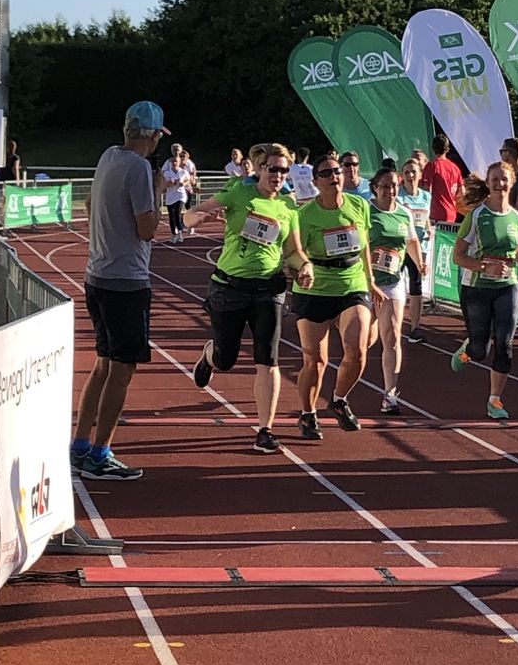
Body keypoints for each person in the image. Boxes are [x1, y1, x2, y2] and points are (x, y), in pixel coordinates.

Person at [184, 144, 312, 454]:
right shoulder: (239, 192)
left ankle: (265, 429)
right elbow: (190, 215)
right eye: (273, 169)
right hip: (229, 287)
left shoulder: (288, 206)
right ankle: (210, 356)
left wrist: (305, 267)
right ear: (260, 168)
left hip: (269, 289)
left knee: (267, 359)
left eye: (284, 170)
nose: (278, 175)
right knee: (226, 359)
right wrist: (196, 218)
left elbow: (293, 251)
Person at [70, 100, 168, 481]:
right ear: (153, 136)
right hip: (126, 281)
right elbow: (147, 229)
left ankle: (80, 445)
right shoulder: (139, 168)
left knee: (103, 364)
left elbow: (89, 203)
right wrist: (158, 193)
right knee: (121, 370)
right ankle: (100, 452)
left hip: (97, 274)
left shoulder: (108, 156)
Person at [292, 151, 377, 438]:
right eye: (326, 173)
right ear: (315, 181)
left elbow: (364, 245)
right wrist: (303, 268)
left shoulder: (359, 205)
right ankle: (307, 414)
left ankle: (339, 400)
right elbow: (295, 251)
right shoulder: (305, 215)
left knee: (358, 349)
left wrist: (371, 280)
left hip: (352, 283)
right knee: (315, 360)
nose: (334, 177)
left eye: (337, 171)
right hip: (315, 287)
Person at [451, 161, 518, 421]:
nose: (500, 184)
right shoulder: (477, 216)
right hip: (476, 288)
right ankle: (468, 349)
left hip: (507, 287)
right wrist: (485, 267)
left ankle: (495, 400)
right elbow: (458, 256)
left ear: (512, 182)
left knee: (505, 344)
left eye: (504, 179)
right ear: (487, 183)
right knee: (480, 350)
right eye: (495, 179)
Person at [368, 164, 423, 413]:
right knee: (363, 342)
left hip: (392, 282)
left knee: (391, 336)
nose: (390, 191)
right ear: (375, 188)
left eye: (393, 186)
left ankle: (390, 395)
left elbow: (411, 239)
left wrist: (419, 262)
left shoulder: (404, 213)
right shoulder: (366, 211)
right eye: (385, 186)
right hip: (365, 282)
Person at [398, 156, 432, 341]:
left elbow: (425, 218)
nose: (410, 175)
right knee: (392, 284)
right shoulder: (398, 195)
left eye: (413, 172)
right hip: (399, 246)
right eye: (407, 172)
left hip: (419, 247)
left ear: (420, 174)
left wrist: (429, 228)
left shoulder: (426, 196)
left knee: (416, 286)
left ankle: (415, 328)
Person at [421, 133, 464, 224]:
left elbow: (426, 191)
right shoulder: (455, 168)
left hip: (435, 215)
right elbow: (462, 192)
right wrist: (451, 200)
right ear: (447, 149)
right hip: (451, 214)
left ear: (433, 148)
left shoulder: (432, 166)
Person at [161, 141, 193, 242]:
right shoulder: (167, 170)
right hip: (170, 195)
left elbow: (190, 177)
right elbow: (163, 180)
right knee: (171, 214)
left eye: (178, 150)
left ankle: (181, 231)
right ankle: (174, 234)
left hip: (181, 194)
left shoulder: (184, 169)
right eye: (173, 162)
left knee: (178, 212)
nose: (174, 163)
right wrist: (169, 183)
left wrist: (184, 183)